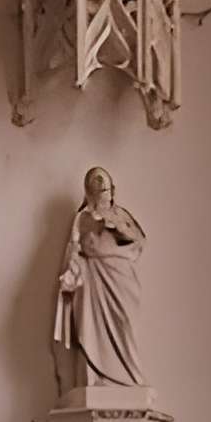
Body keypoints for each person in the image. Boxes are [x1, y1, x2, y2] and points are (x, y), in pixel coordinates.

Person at [53, 165, 146, 388]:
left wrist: (119, 227)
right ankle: (95, 376)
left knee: (124, 324)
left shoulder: (121, 215)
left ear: (112, 190)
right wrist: (72, 272)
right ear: (88, 193)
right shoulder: (82, 217)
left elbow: (139, 241)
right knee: (91, 326)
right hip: (92, 278)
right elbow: (74, 249)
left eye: (105, 188)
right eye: (96, 188)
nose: (102, 193)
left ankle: (129, 377)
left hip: (121, 278)